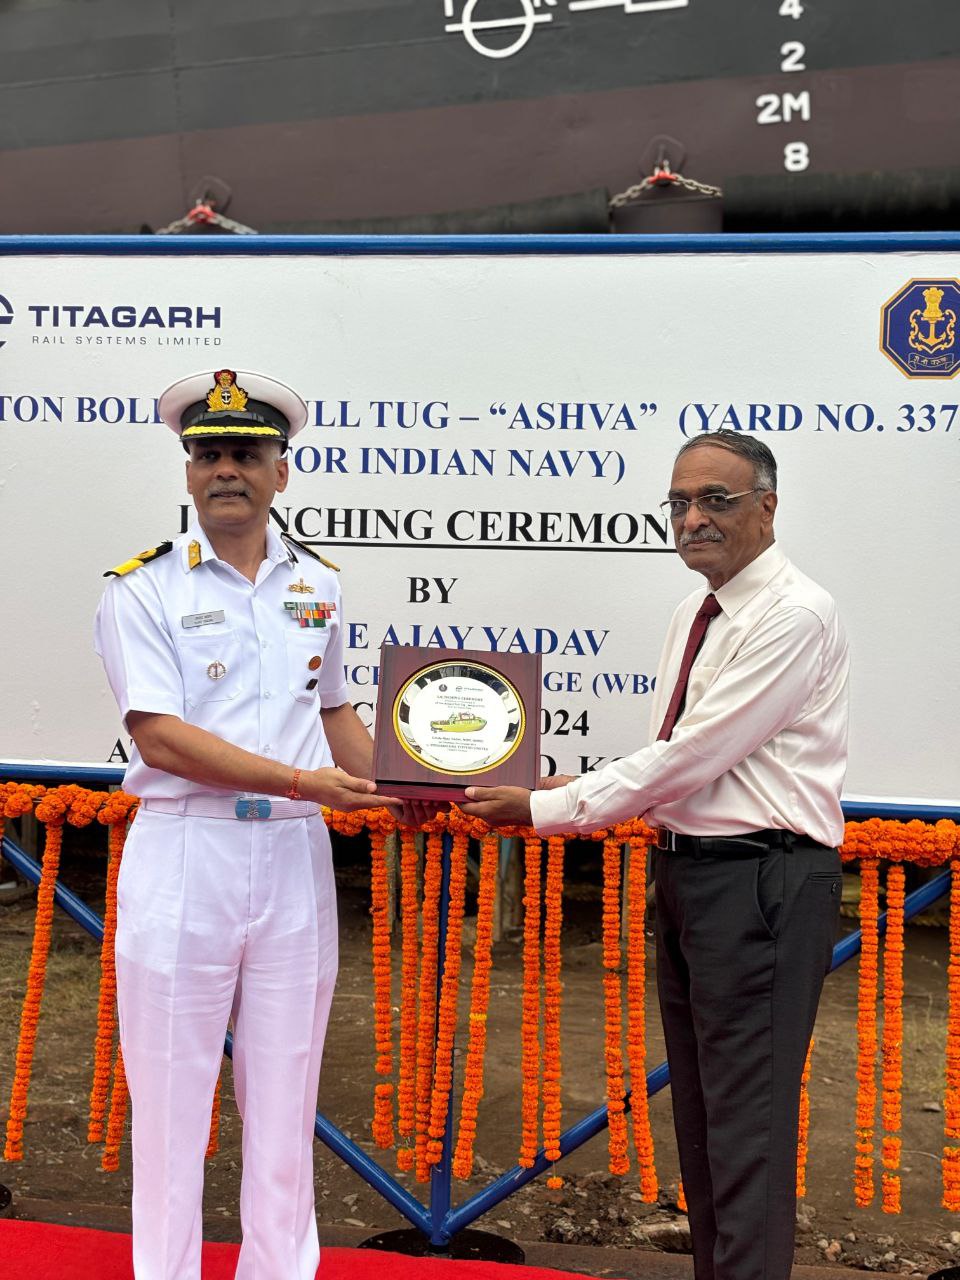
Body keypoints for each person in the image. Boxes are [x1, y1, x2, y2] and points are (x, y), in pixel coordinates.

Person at [462, 429, 848, 1280]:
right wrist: (561, 783)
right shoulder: (693, 612)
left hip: (763, 882)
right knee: (706, 1127)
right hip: (692, 875)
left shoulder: (793, 613)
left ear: (767, 507)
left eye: (716, 499)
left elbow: (692, 756)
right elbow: (678, 763)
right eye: (679, 502)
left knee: (746, 1131)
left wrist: (549, 806)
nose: (693, 518)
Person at [94, 368, 415, 1280]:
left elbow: (335, 714)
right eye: (208, 453)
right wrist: (305, 783)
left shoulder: (318, 584)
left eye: (246, 453)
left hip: (289, 859)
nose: (225, 469)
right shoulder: (141, 589)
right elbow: (159, 735)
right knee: (168, 1102)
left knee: (286, 1094)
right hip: (186, 852)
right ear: (188, 471)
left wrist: (420, 788)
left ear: (282, 470)